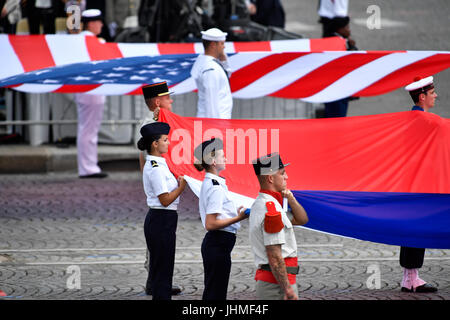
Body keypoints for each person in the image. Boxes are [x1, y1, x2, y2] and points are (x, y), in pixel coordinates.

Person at [138, 81, 182, 296]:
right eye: (167, 97)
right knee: (159, 250)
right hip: (160, 196)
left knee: (162, 250)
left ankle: (159, 283)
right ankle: (156, 283)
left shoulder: (161, 122)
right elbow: (144, 159)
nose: (171, 101)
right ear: (157, 101)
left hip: (162, 185)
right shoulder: (151, 125)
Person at [194, 137, 249, 300]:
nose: (225, 158)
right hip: (218, 242)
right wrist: (238, 218)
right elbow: (211, 223)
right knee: (215, 293)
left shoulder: (214, 182)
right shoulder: (215, 186)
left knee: (215, 290)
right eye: (222, 155)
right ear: (212, 161)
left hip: (219, 243)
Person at [249, 152, 309, 300]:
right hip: (277, 286)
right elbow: (274, 255)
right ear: (270, 178)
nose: (286, 177)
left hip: (276, 282)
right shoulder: (270, 209)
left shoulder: (267, 203)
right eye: (282, 173)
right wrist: (287, 289)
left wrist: (291, 198)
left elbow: (302, 219)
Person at [399, 76, 438, 293]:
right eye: (432, 93)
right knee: (416, 230)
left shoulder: (411, 118)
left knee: (410, 230)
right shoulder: (423, 121)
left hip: (412, 183)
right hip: (419, 184)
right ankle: (412, 278)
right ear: (422, 97)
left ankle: (409, 277)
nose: (435, 96)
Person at [76, 9, 108, 178]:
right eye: (99, 22)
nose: (101, 25)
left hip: (86, 89)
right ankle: (88, 167)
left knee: (87, 128)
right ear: (92, 23)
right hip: (92, 89)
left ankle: (88, 165)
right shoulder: (94, 41)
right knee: (89, 129)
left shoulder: (80, 40)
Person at [190, 28, 233, 119]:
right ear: (213, 45)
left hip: (216, 123)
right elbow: (211, 100)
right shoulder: (210, 69)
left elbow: (226, 76)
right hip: (214, 124)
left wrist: (224, 61)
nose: (224, 47)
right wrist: (214, 128)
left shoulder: (207, 63)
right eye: (222, 43)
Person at [322, 16, 357, 118]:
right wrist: (352, 48)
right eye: (346, 27)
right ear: (339, 29)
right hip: (336, 88)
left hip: (337, 88)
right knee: (337, 116)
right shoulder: (336, 43)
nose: (349, 30)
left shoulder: (340, 40)